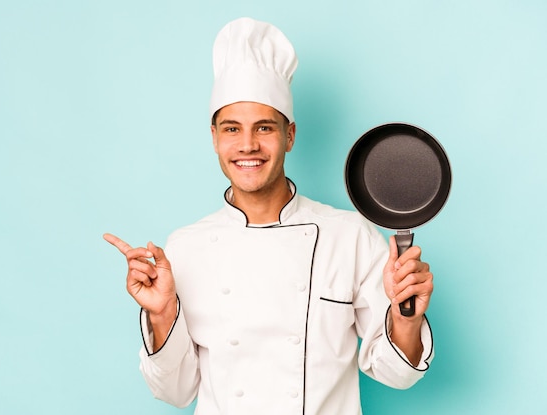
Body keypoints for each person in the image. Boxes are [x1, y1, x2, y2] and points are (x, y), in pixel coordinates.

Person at [103, 17, 434, 415]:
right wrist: (161, 314)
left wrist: (406, 315)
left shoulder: (350, 237)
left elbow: (395, 373)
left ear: (289, 135)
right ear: (213, 138)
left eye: (264, 128)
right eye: (231, 129)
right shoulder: (184, 248)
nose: (247, 145)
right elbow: (176, 392)